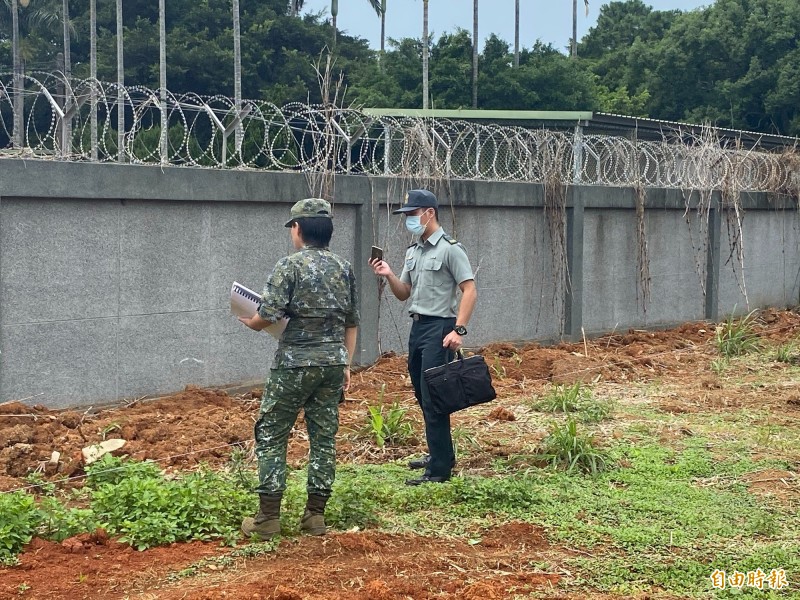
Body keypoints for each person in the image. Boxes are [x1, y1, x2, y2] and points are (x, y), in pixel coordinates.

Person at [239, 198, 359, 538]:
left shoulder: (288, 266)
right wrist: (346, 363)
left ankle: (268, 518)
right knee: (324, 438)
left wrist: (252, 322)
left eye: (292, 227)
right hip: (333, 364)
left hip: (294, 365)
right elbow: (352, 321)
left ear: (299, 229)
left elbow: (268, 314)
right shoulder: (344, 268)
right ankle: (315, 516)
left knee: (273, 433)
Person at [369, 189, 477, 485]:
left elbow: (470, 290)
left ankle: (439, 469)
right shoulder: (413, 251)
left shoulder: (451, 249)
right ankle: (440, 453)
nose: (409, 220)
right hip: (418, 328)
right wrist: (389, 274)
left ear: (429, 213)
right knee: (421, 392)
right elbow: (404, 293)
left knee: (433, 397)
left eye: (412, 215)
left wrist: (459, 329)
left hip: (441, 329)